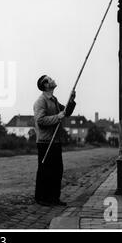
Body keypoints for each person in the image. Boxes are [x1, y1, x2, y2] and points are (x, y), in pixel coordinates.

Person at [33, 75, 76, 206]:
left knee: (57, 170)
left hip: (56, 141)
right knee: (45, 171)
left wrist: (72, 100)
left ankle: (54, 198)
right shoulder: (41, 101)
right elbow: (40, 121)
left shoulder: (54, 100)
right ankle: (41, 198)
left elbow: (66, 112)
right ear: (45, 85)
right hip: (45, 142)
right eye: (50, 79)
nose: (53, 79)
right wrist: (57, 117)